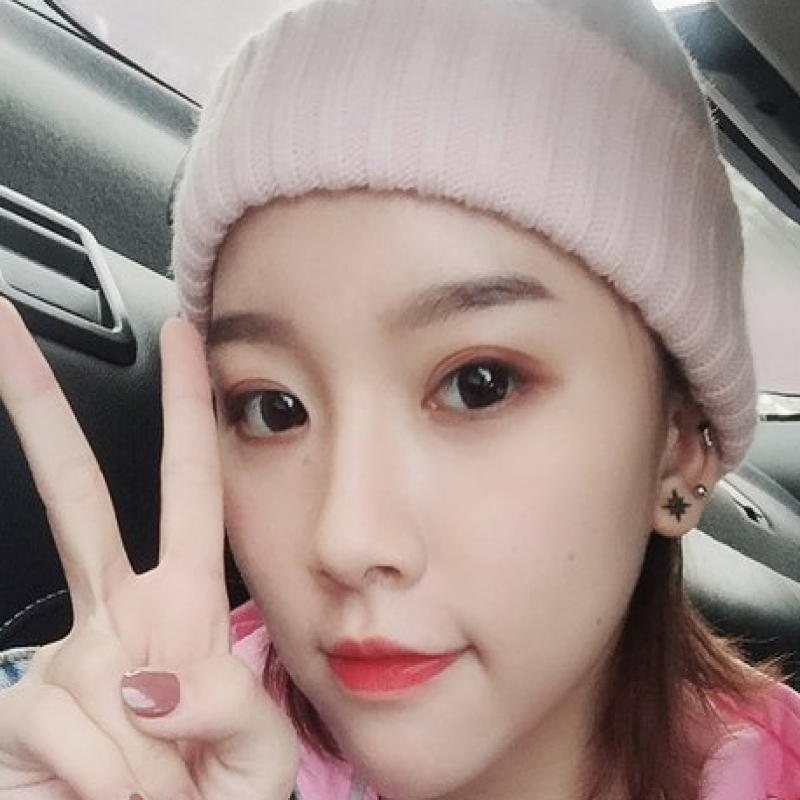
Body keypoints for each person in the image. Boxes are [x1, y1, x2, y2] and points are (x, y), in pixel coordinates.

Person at [1, 0, 800, 798]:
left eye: (479, 385)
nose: (345, 540)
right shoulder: (140, 744)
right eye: (273, 408)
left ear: (680, 443)